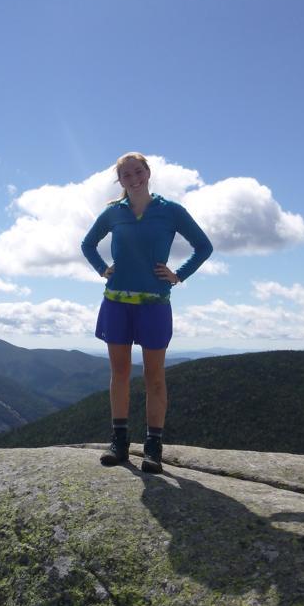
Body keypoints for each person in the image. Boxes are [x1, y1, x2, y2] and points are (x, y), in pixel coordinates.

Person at [81, 152, 213, 473]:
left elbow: (203, 246)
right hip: (116, 303)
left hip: (154, 304)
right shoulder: (113, 213)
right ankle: (120, 443)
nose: (134, 178)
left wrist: (179, 274)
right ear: (120, 180)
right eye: (126, 175)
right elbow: (88, 244)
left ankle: (153, 446)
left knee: (155, 377)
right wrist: (102, 269)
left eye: (138, 171)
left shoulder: (170, 211)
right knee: (121, 374)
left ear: (148, 172)